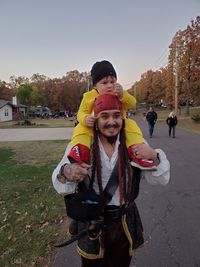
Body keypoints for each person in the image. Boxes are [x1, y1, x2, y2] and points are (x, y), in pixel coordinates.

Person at [52, 94, 170, 267]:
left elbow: (160, 179)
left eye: (116, 115)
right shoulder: (83, 145)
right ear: (96, 120)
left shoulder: (135, 143)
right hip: (92, 222)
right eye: (104, 116)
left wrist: (155, 156)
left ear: (122, 117)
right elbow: (58, 181)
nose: (111, 122)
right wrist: (67, 171)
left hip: (123, 222)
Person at [68, 60, 156, 170]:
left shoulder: (118, 93)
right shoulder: (88, 96)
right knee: (81, 128)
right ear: (95, 85)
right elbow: (80, 113)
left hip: (121, 122)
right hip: (94, 124)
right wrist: (85, 118)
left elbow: (132, 103)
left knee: (131, 125)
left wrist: (123, 95)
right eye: (104, 83)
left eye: (112, 81)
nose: (110, 85)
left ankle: (137, 151)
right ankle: (79, 153)